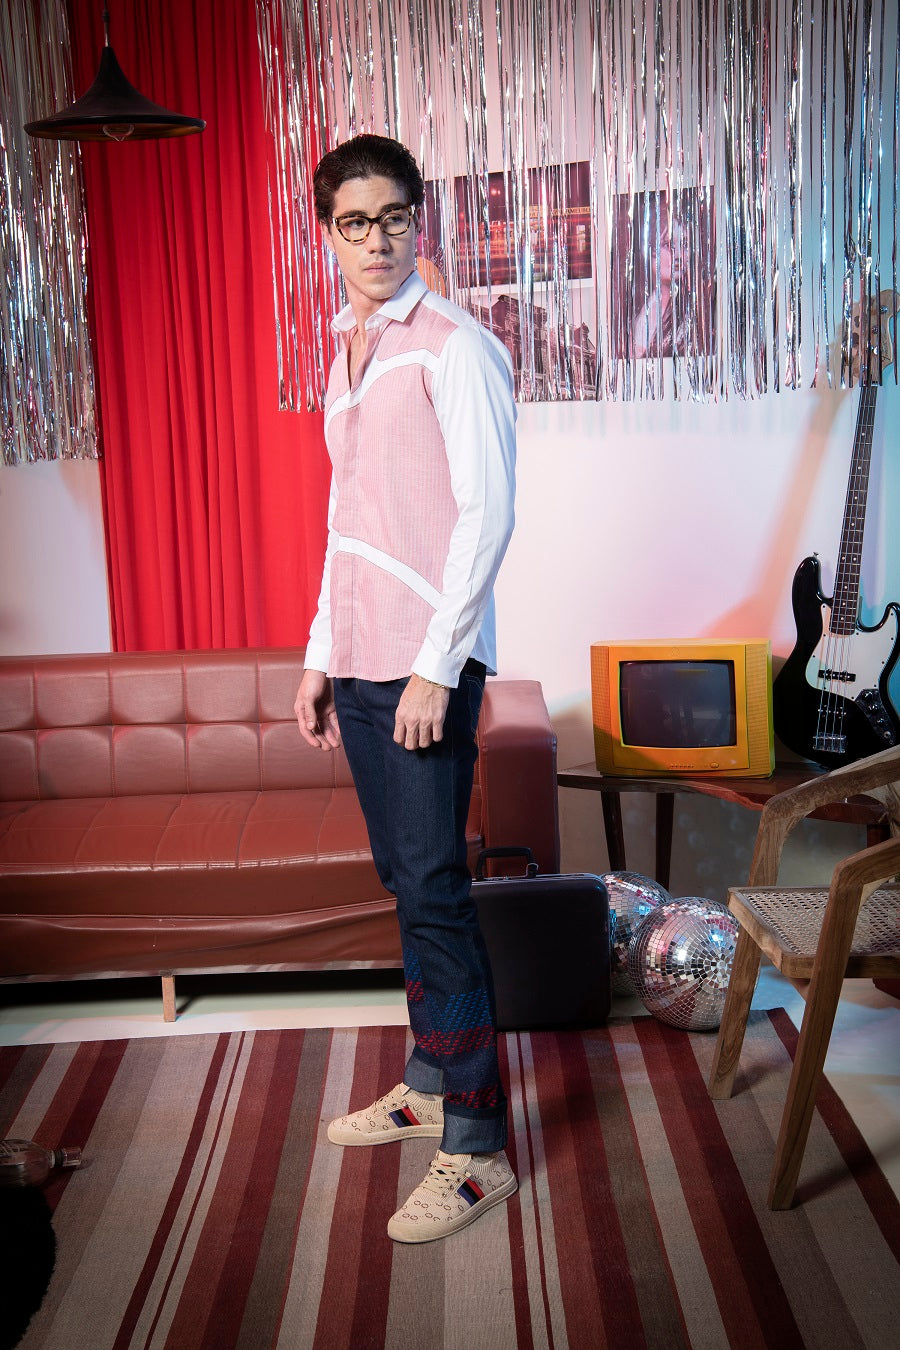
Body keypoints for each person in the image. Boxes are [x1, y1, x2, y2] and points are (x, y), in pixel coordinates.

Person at [294, 134, 518, 1244]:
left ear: (418, 221)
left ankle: (477, 1146)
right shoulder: (351, 353)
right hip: (363, 658)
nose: (376, 240)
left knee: (435, 893)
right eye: (354, 222)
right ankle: (431, 1078)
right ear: (328, 235)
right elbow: (350, 522)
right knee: (405, 882)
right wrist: (319, 652)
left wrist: (439, 664)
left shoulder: (455, 347)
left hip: (427, 663)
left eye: (394, 218)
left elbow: (488, 514)